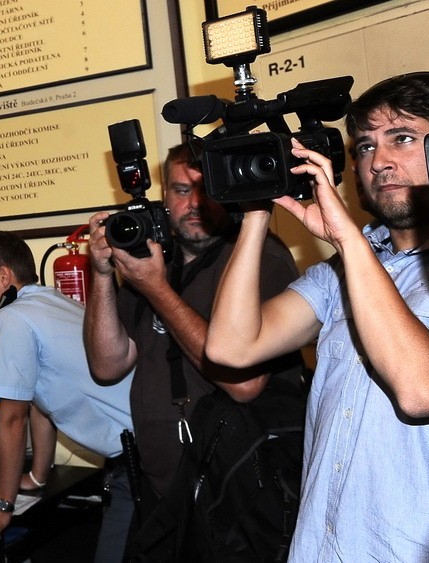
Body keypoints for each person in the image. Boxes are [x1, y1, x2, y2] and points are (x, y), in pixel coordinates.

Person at [204, 72, 429, 560]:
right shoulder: (341, 271)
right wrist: (257, 209)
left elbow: (425, 390)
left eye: (402, 138)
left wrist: (348, 239)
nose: (379, 161)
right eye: (366, 147)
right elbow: (231, 347)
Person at [84, 140, 306, 517]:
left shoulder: (258, 257)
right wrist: (103, 274)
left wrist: (157, 290)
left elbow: (244, 384)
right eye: (181, 190)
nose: (194, 205)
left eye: (206, 191)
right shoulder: (152, 261)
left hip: (239, 493)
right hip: (164, 489)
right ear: (164, 197)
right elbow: (107, 366)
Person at [0, 231, 135, 561]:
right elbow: (39, 401)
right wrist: (36, 476)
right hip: (145, 446)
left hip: (135, 459)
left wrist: (2, 505)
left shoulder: (12, 318)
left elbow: (13, 419)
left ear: (4, 276)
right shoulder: (53, 301)